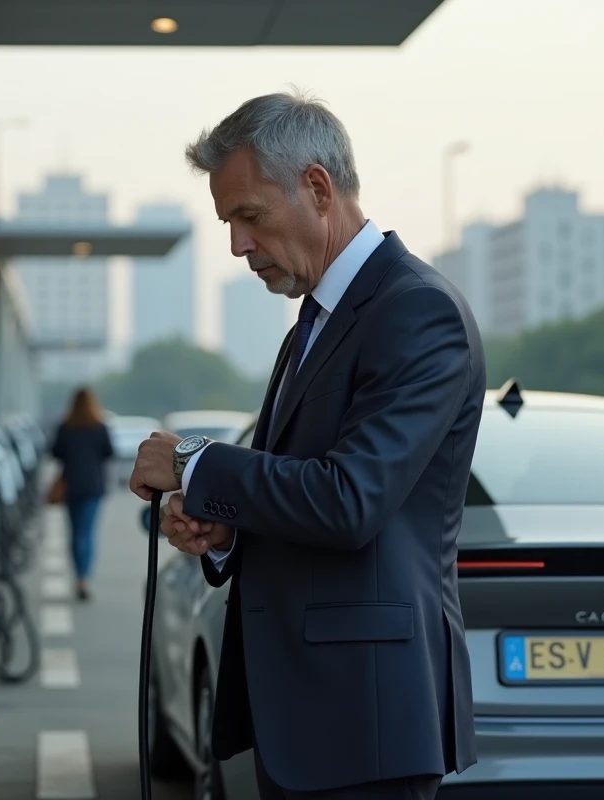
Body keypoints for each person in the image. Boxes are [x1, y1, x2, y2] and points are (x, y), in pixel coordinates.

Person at [129, 90, 485, 799]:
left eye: (249, 216)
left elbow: (351, 499)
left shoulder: (416, 310)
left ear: (317, 188)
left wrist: (194, 462)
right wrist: (224, 524)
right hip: (308, 718)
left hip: (364, 724)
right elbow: (301, 485)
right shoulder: (311, 326)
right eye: (229, 222)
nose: (237, 245)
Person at [50, 387, 115, 600]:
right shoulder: (100, 427)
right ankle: (83, 578)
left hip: (71, 485)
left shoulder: (65, 427)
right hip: (93, 486)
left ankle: (78, 574)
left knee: (75, 531)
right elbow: (109, 453)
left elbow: (55, 452)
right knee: (86, 533)